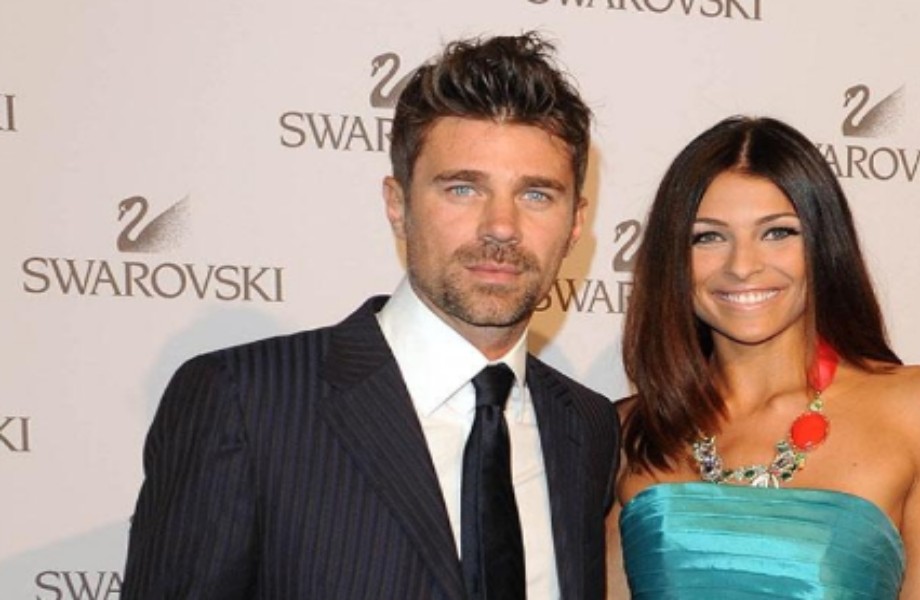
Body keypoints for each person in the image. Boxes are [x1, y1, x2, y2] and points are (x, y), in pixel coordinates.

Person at [123, 33, 619, 600]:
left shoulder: (586, 426)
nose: (501, 227)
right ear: (397, 204)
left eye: (536, 195)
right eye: (463, 188)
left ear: (575, 223)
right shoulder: (245, 402)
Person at [607, 116, 920, 599]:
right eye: (708, 237)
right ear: (673, 259)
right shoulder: (627, 433)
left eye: (778, 232)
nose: (743, 266)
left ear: (823, 244)